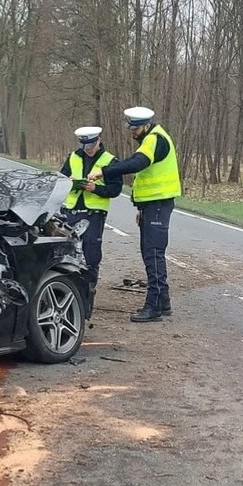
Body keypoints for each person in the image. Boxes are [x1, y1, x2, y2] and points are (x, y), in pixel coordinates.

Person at [88, 106, 180, 323]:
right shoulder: (152, 138)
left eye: (135, 128)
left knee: (153, 253)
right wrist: (141, 208)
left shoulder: (154, 139)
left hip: (158, 204)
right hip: (152, 206)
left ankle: (154, 306)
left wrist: (105, 171)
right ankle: (163, 301)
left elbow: (138, 163)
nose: (131, 132)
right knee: (152, 251)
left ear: (146, 125)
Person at [59, 127, 121, 317]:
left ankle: (87, 301)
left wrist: (95, 189)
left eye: (91, 145)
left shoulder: (110, 161)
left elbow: (115, 189)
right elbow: (60, 179)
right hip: (70, 211)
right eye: (84, 145)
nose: (88, 149)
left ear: (99, 141)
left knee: (91, 256)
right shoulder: (73, 157)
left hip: (94, 213)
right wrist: (68, 181)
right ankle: (67, 297)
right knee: (67, 254)